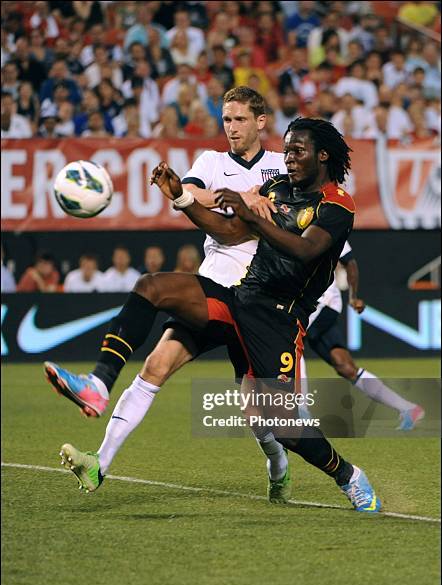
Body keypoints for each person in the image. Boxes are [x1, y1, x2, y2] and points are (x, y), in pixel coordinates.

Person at [49, 112, 381, 513]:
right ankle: (98, 385)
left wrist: (248, 213)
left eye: (298, 151)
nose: (288, 157)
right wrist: (183, 198)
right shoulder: (276, 188)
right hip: (238, 297)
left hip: (278, 318)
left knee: (285, 427)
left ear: (322, 156)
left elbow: (306, 251)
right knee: (151, 287)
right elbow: (229, 232)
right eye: (287, 149)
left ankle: (347, 475)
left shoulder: (337, 205)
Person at [306, 242, 425, 431]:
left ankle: (299, 415)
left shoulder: (328, 220)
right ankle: (408, 408)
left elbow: (349, 262)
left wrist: (353, 297)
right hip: (313, 304)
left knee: (288, 343)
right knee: (344, 366)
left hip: (320, 304)